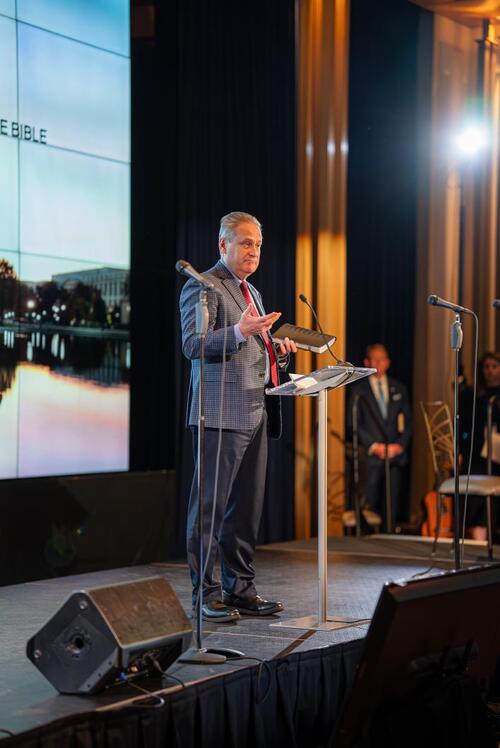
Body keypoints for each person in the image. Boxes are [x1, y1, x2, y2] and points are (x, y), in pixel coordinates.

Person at [179, 211, 296, 623]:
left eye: (258, 245)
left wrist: (275, 350)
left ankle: (241, 589)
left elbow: (252, 349)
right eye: (246, 243)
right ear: (223, 245)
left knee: (246, 510)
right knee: (209, 510)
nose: (254, 251)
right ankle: (206, 593)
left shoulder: (253, 292)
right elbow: (193, 345)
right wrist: (239, 333)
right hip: (219, 414)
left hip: (254, 412)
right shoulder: (203, 285)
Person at [347, 343, 412, 530]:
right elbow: (353, 423)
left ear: (388, 362)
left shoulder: (398, 388)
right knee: (371, 505)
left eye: (382, 359)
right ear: (367, 362)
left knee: (391, 504)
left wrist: (398, 446)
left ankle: (389, 536)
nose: (378, 363)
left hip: (394, 456)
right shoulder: (359, 391)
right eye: (374, 360)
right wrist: (375, 446)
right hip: (371, 458)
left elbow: (408, 422)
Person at [459, 351, 500, 540]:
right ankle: (479, 540)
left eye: (494, 366)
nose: (490, 371)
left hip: (497, 453)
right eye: (486, 367)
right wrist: (460, 450)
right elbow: (463, 425)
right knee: (476, 495)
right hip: (476, 453)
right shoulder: (472, 394)